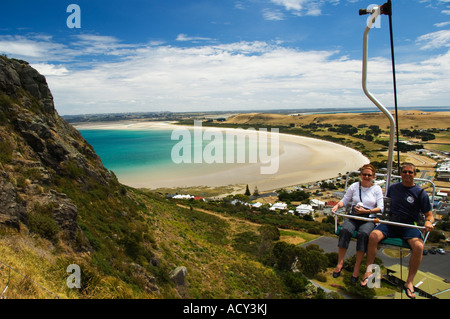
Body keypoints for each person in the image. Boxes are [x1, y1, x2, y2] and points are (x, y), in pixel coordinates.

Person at [360, 162, 434, 299]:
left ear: (415, 174)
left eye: (410, 172)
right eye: (404, 172)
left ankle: (409, 282)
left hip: (409, 225)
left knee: (418, 246)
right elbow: (385, 205)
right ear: (401, 174)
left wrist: (429, 222)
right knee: (373, 236)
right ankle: (368, 271)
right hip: (391, 222)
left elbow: (429, 214)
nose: (407, 174)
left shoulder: (421, 193)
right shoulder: (393, 188)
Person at [331, 164, 384, 283]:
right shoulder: (354, 186)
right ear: (360, 175)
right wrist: (337, 206)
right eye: (364, 174)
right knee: (345, 230)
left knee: (364, 234)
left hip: (368, 218)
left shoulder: (376, 189)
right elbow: (345, 200)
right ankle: (340, 263)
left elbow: (381, 208)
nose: (366, 177)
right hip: (354, 216)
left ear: (373, 177)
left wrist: (367, 211)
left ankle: (357, 267)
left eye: (369, 175)